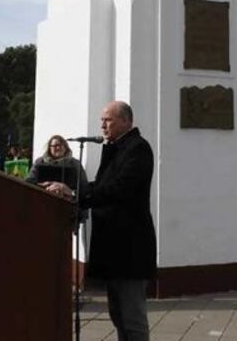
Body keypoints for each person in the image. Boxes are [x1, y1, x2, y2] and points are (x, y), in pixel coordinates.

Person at [43, 101, 156, 341]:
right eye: (102, 120)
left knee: (132, 317)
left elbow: (119, 188)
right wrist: (71, 191)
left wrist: (77, 195)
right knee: (118, 314)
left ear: (126, 121)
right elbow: (103, 186)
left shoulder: (138, 149)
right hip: (115, 247)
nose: (102, 125)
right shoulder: (117, 148)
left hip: (131, 247)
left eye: (108, 120)